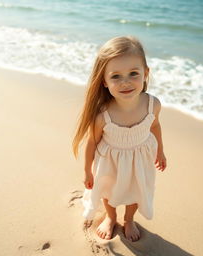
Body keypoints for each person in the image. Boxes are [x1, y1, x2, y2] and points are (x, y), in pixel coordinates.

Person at [72, 36, 167, 242]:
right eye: (116, 76)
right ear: (104, 81)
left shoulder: (153, 104)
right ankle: (111, 217)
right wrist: (88, 170)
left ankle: (129, 219)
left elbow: (155, 125)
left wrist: (160, 151)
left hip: (141, 157)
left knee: (136, 190)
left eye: (134, 73)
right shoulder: (103, 115)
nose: (125, 82)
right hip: (111, 162)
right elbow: (91, 143)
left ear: (145, 74)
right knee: (110, 192)